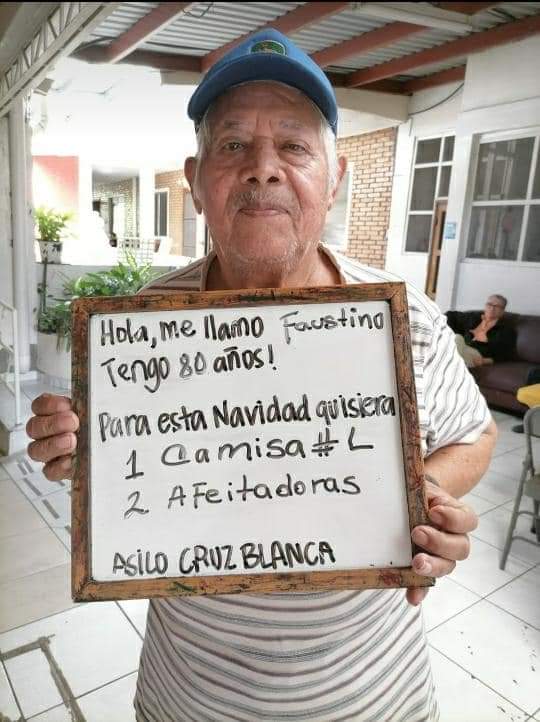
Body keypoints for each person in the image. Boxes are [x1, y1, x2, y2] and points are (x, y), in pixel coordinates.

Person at [26, 29, 497, 722]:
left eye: (294, 146)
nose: (263, 170)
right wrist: (81, 456)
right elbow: (122, 477)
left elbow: (477, 434)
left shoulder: (403, 318)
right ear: (196, 181)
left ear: (334, 180)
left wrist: (420, 491)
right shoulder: (136, 329)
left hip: (373, 696)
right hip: (191, 698)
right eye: (233, 145)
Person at [447, 294, 516, 369]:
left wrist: (485, 361)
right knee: (456, 338)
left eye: (497, 306)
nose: (492, 308)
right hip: (460, 346)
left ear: (502, 311)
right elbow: (450, 315)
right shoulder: (473, 318)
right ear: (485, 306)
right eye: (489, 304)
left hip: (475, 354)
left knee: (456, 339)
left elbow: (507, 354)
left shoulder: (506, 330)